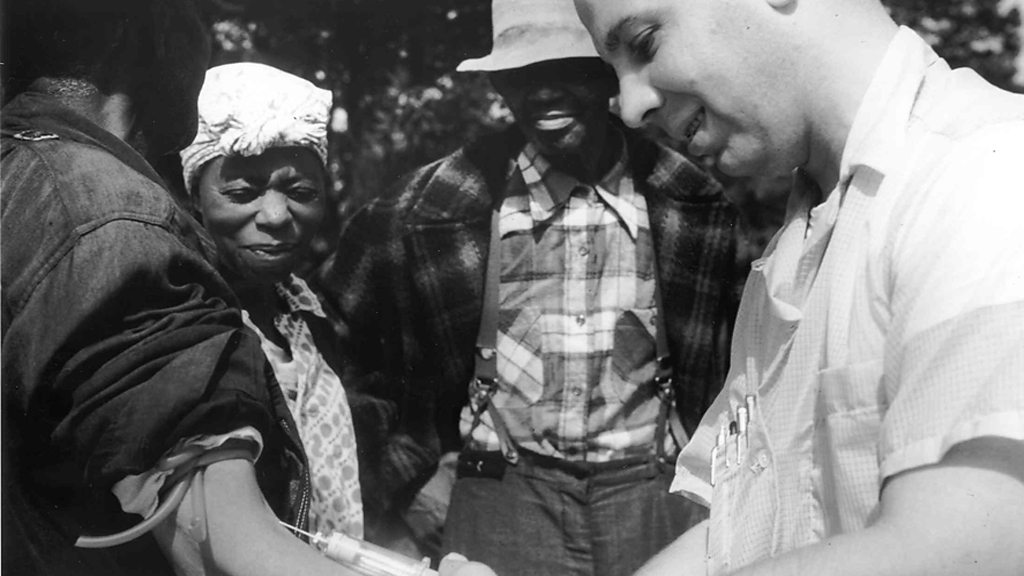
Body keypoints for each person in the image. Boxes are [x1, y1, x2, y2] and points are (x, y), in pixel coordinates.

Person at [0, 2, 495, 576]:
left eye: (299, 190)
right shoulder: (113, 219)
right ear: (151, 32)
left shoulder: (23, 173)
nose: (275, 216)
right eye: (198, 18)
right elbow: (223, 543)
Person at [572, 0, 1024, 575]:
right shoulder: (795, 246)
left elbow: (975, 548)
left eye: (644, 43)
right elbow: (736, 536)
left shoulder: (988, 172)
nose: (631, 106)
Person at [315, 0, 746, 573]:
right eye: (521, 74)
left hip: (652, 494)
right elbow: (328, 343)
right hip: (499, 491)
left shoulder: (689, 203)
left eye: (566, 69)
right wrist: (407, 478)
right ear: (498, 83)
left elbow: (746, 371)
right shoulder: (434, 206)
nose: (542, 92)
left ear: (607, 75)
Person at [179, 62, 363, 539]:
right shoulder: (184, 326)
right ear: (194, 196)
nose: (277, 216)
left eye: (301, 191)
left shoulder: (310, 314)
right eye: (242, 192)